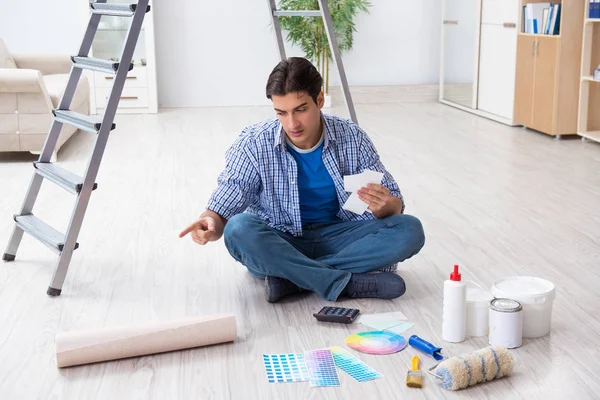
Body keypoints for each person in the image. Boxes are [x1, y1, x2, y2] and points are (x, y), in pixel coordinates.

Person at [179, 57, 425, 303]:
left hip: (339, 237)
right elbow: (226, 202)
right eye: (281, 113)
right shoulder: (253, 143)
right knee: (238, 229)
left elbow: (394, 204)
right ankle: (342, 282)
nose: (292, 123)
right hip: (281, 238)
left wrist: (387, 205)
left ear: (319, 100)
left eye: (300, 110)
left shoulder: (352, 137)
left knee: (409, 229)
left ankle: (291, 279)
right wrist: (209, 223)